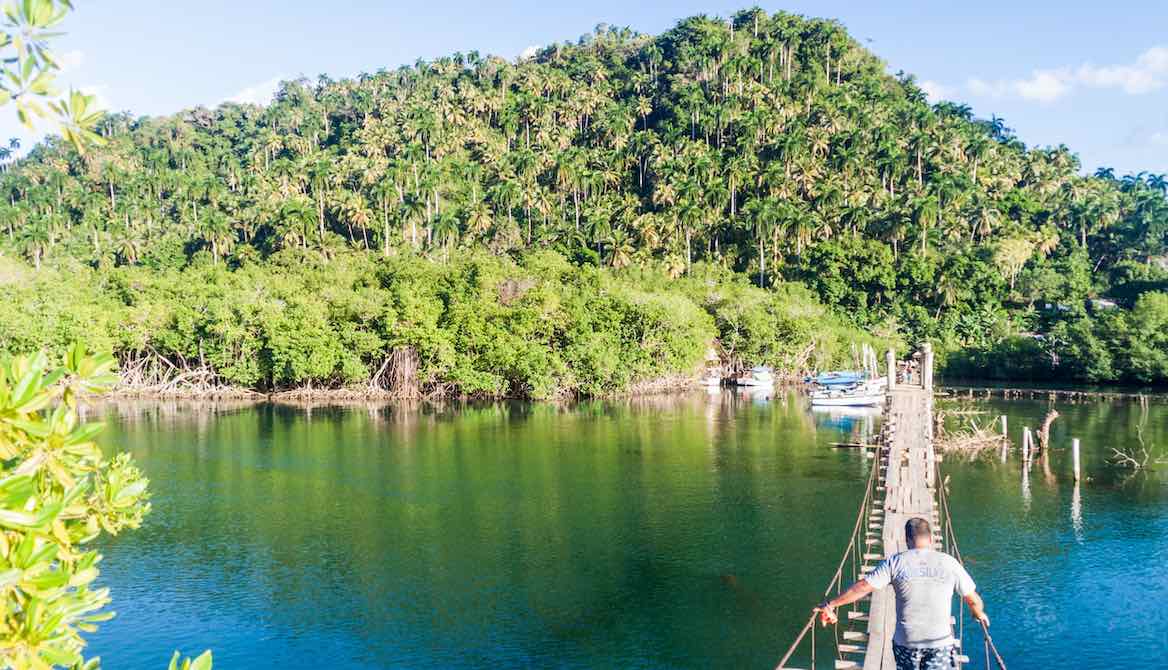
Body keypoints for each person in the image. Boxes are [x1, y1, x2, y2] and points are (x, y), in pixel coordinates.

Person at [812, 517, 989, 670]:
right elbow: (973, 600)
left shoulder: (895, 562)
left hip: (906, 643)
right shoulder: (950, 563)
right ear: (931, 538)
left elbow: (863, 587)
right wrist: (978, 613)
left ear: (907, 539)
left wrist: (831, 605)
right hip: (940, 643)